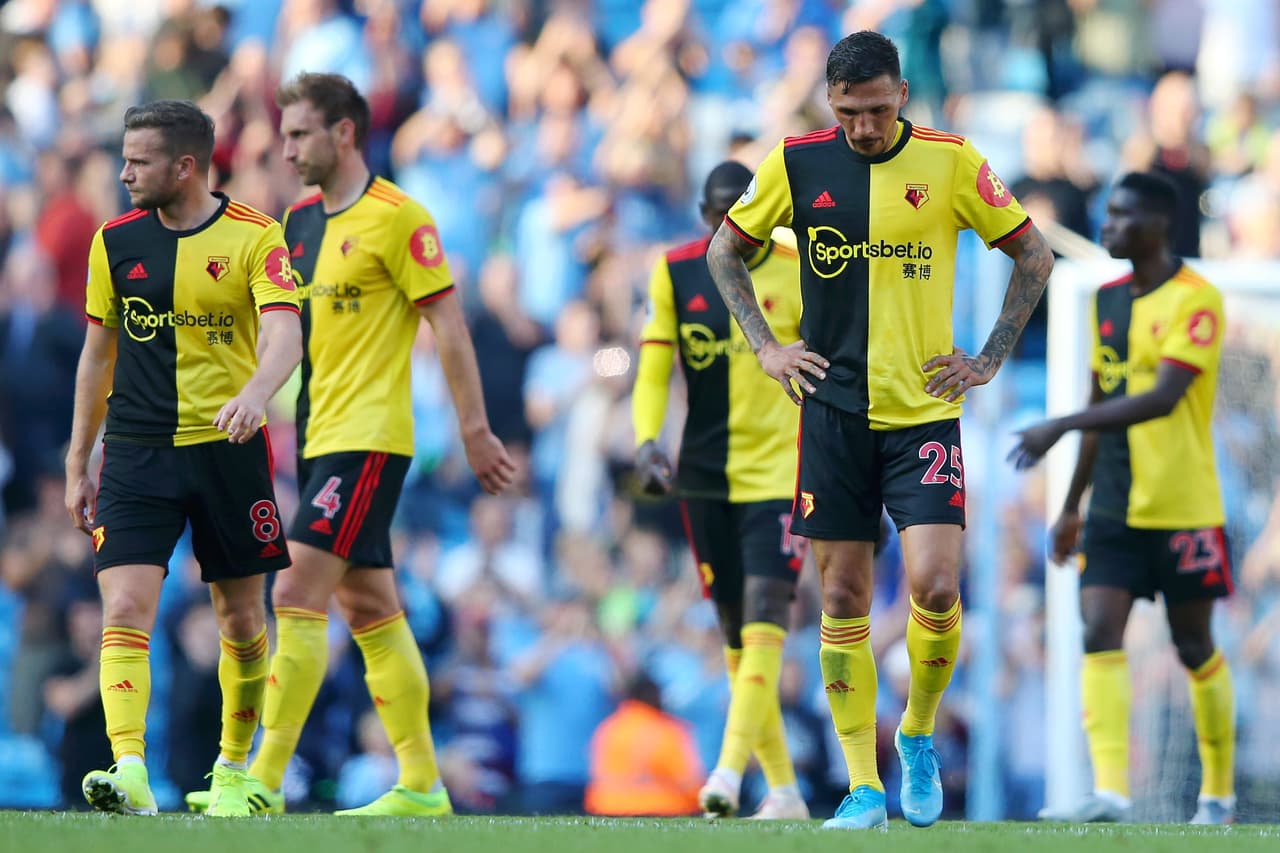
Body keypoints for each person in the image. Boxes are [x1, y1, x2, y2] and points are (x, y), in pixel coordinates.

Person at [707, 31, 1053, 830]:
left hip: (924, 411)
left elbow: (1034, 256)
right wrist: (767, 346)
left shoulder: (952, 161)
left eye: (876, 109)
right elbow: (726, 252)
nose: (863, 127)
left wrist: (989, 357)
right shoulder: (795, 163)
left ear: (901, 93)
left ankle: (918, 730)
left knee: (936, 585)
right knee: (841, 594)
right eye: (848, 112)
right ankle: (863, 785)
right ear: (830, 102)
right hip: (832, 414)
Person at [185, 72, 514, 817]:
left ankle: (263, 779)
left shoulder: (400, 218)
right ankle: (422, 784)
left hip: (370, 439)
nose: (287, 149)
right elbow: (283, 334)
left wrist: (473, 430)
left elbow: (448, 326)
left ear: (344, 132)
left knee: (294, 590)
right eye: (284, 134)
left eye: (300, 133)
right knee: (369, 607)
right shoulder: (298, 223)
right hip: (317, 438)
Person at [63, 99, 303, 816]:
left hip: (228, 447)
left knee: (241, 617)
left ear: (185, 166)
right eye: (125, 158)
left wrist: (256, 394)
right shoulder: (114, 241)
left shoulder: (256, 236)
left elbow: (286, 334)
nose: (124, 173)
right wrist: (78, 461)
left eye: (139, 161)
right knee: (124, 603)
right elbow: (96, 356)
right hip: (137, 449)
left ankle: (232, 770)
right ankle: (131, 768)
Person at [1010, 172, 1235, 826]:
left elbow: (1162, 399)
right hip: (1112, 506)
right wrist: (1071, 505)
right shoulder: (1105, 299)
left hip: (1183, 507)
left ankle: (1217, 794)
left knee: (1193, 645)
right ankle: (1110, 792)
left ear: (1159, 225)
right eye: (1106, 213)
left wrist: (1059, 424)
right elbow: (1102, 400)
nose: (1106, 226)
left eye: (1120, 215)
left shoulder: (1197, 299)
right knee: (1098, 629)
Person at [631, 160, 808, 820]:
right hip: (705, 476)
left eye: (747, 212)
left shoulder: (800, 268)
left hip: (782, 473)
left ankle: (728, 773)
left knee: (767, 611)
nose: (738, 225)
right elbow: (654, 365)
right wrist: (646, 440)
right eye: (723, 215)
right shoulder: (676, 270)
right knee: (736, 630)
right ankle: (784, 790)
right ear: (707, 217)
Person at [584, 670, 704, 817]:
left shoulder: (609, 728)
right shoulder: (665, 730)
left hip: (606, 807)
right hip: (658, 809)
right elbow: (688, 783)